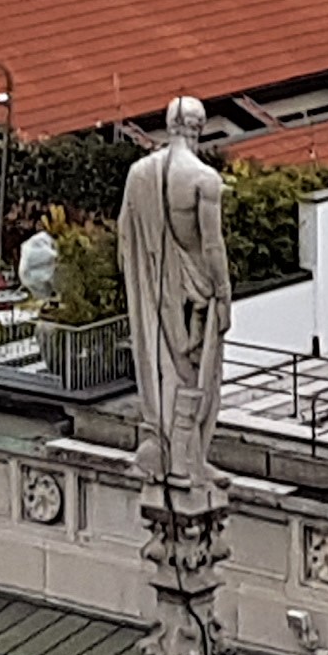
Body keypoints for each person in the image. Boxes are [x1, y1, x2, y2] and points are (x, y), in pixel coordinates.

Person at [118, 96, 231, 497]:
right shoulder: (204, 180)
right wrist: (224, 293)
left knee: (168, 366)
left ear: (169, 126)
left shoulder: (139, 174)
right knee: (198, 372)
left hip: (156, 287)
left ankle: (185, 454)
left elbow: (126, 238)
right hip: (197, 288)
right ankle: (184, 459)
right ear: (199, 127)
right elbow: (213, 246)